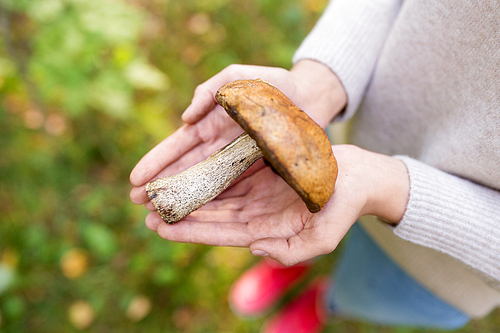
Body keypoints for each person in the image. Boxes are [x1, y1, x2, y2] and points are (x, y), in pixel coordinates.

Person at [130, 0, 500, 331]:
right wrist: (321, 81)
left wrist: (387, 187)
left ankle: (326, 301)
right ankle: (287, 267)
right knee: (287, 227)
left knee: (369, 291)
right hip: (354, 131)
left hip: (448, 263)